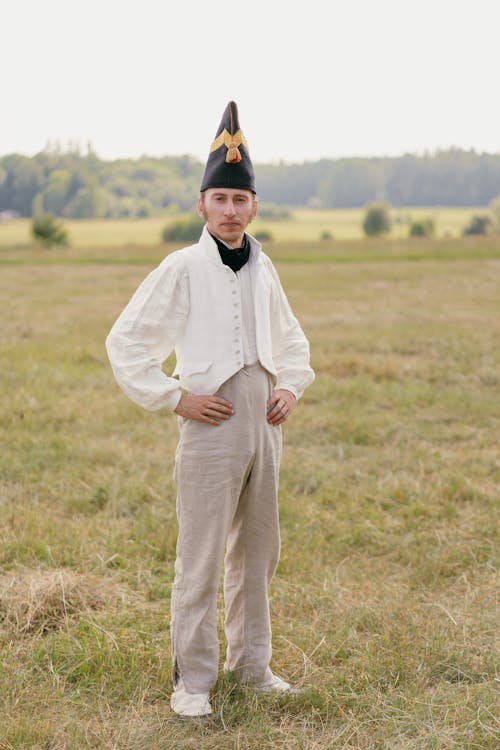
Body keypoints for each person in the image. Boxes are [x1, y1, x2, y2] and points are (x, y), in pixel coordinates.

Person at [106, 101, 314, 717]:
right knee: (199, 554)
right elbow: (127, 343)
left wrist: (290, 386)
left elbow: (293, 338)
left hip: (264, 423)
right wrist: (176, 396)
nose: (230, 211)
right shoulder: (182, 267)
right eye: (219, 199)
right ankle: (193, 679)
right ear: (201, 204)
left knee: (258, 549)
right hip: (211, 422)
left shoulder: (264, 265)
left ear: (254, 206)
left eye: (240, 200)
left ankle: (252, 667)